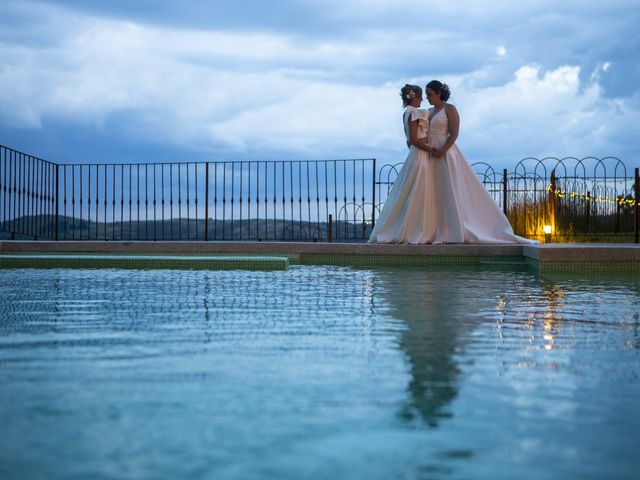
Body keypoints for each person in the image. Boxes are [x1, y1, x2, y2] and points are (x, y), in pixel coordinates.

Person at [369, 81, 535, 244]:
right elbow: (416, 132)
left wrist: (443, 150)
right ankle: (431, 228)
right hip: (429, 154)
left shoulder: (450, 109)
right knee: (430, 192)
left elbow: (454, 134)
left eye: (430, 95)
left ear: (439, 94)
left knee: (449, 189)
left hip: (445, 152)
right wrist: (418, 144)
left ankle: (452, 228)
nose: (427, 98)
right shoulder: (426, 111)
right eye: (425, 95)